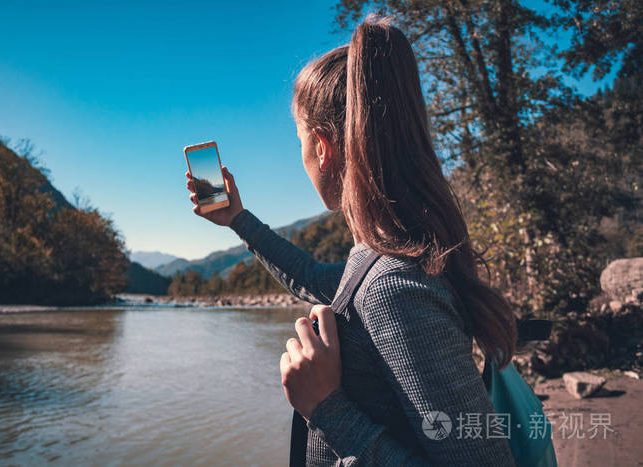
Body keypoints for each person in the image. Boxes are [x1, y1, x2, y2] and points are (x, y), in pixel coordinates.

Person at [185, 15, 517, 466]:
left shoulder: (394, 286)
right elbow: (311, 277)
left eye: (299, 139)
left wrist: (326, 408)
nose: (301, 155)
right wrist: (238, 219)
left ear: (322, 146)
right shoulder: (382, 260)